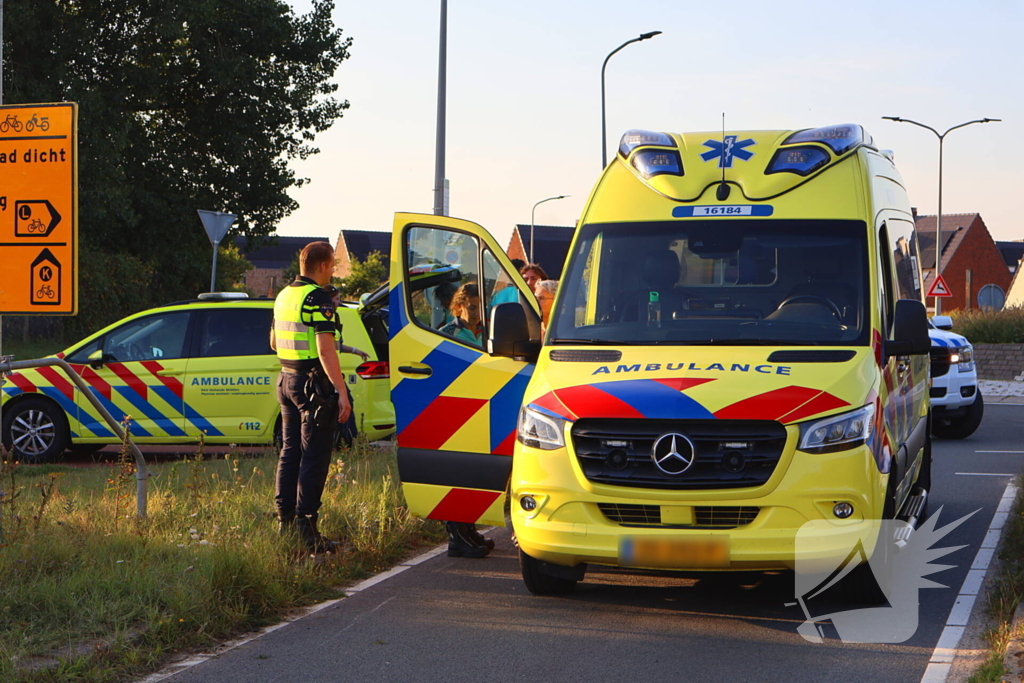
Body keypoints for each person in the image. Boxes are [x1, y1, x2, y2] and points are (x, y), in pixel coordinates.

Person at [269, 241, 349, 553]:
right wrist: (341, 391)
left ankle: (284, 521)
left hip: (286, 379)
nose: (333, 271)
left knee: (290, 452)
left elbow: (275, 342)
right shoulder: (318, 298)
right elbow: (325, 349)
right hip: (313, 385)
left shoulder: (284, 295)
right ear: (323, 266)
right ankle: (308, 529)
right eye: (332, 266)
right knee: (314, 455)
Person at [323, 284, 371, 448]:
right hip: (327, 372)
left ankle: (345, 442)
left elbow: (335, 345)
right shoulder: (324, 317)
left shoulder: (333, 318)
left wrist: (356, 351)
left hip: (331, 370)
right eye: (336, 299)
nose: (338, 302)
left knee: (343, 406)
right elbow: (326, 348)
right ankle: (346, 442)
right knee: (344, 405)